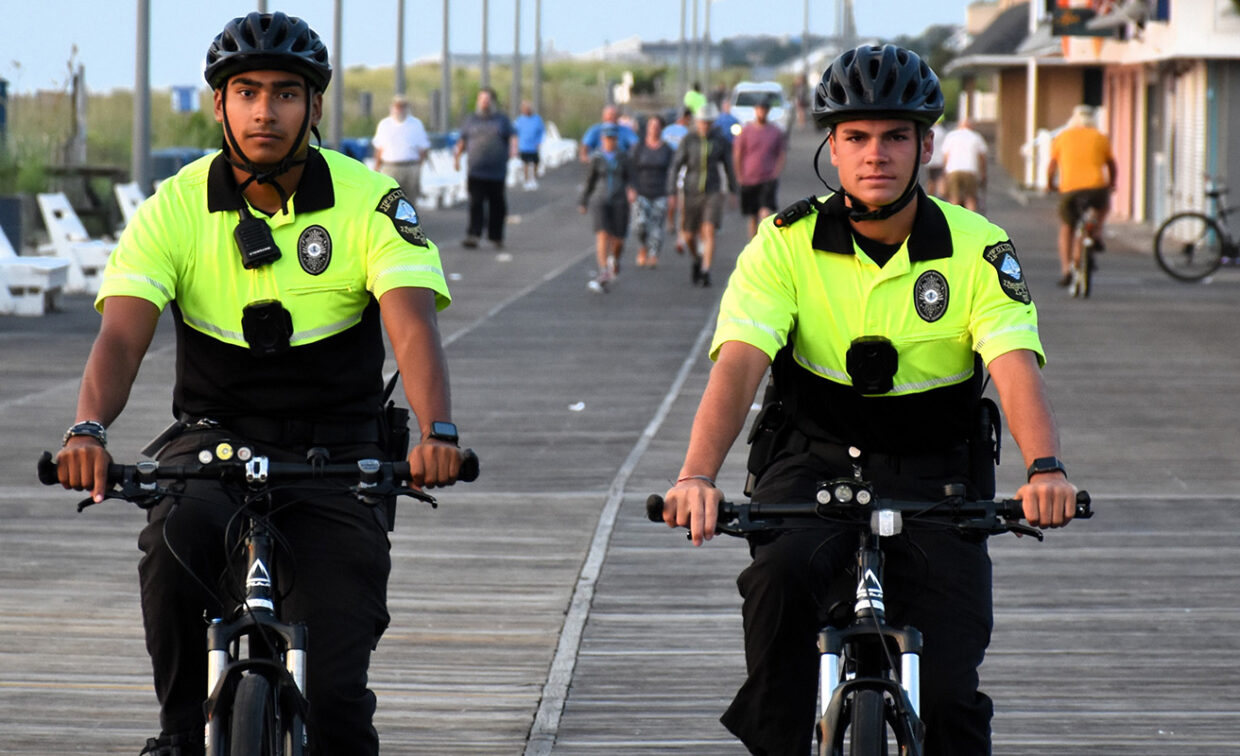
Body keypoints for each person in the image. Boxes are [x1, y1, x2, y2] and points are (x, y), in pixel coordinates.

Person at [51, 12, 469, 756]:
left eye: (284, 93)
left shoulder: (370, 201)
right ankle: (181, 733)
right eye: (245, 92)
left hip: (340, 454)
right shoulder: (174, 206)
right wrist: (87, 428)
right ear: (219, 105)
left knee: (337, 700)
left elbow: (412, 326)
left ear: (313, 106)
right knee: (171, 546)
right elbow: (121, 333)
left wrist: (436, 431)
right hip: (212, 442)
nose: (263, 111)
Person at [657, 44, 1079, 756]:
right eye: (855, 137)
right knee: (777, 607)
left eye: (894, 136)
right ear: (831, 144)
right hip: (810, 464)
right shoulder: (783, 244)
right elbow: (738, 367)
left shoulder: (978, 245)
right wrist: (695, 476)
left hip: (940, 476)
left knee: (949, 698)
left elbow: (1012, 364)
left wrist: (1045, 470)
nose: (874, 154)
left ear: (926, 144)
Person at [667, 103, 737, 287]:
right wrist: (672, 191)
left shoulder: (720, 140)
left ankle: (706, 270)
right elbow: (676, 165)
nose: (705, 126)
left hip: (712, 191)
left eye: (708, 123)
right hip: (691, 191)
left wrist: (733, 189)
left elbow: (729, 166)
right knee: (689, 235)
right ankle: (697, 258)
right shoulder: (688, 140)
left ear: (712, 123)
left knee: (709, 229)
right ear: (697, 122)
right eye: (702, 122)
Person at [1047, 104, 1117, 286]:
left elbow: (1052, 166)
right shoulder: (1100, 137)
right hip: (1096, 188)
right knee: (1102, 207)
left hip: (1070, 190)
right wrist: (1112, 184)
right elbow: (1111, 165)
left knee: (1067, 228)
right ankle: (1097, 233)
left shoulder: (1062, 137)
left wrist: (1049, 185)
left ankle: (1065, 269)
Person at [454, 87, 517, 249]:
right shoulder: (471, 120)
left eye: (487, 99)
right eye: (482, 99)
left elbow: (512, 137)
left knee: (497, 205)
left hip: (497, 171)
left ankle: (496, 236)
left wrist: (513, 152)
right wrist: (457, 158)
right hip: (476, 170)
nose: (484, 102)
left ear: (493, 102)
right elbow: (462, 140)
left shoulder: (501, 119)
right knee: (476, 203)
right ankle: (474, 235)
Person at [579, 125, 634, 292]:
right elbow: (590, 181)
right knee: (602, 234)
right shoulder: (596, 158)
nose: (610, 141)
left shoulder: (624, 157)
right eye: (607, 138)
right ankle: (603, 270)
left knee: (619, 239)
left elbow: (631, 177)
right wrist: (583, 200)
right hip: (600, 200)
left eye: (613, 138)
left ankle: (614, 259)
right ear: (602, 140)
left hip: (619, 200)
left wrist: (632, 189)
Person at [733, 95, 788, 239]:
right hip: (749, 178)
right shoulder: (746, 131)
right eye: (759, 109)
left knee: (765, 213)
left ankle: (764, 242)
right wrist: (739, 174)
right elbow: (738, 153)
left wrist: (776, 172)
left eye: (764, 110)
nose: (761, 112)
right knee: (752, 216)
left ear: (768, 111)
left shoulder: (775, 131)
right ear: (755, 110)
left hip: (767, 178)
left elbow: (781, 153)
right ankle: (753, 244)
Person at [628, 114, 675, 268]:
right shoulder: (639, 147)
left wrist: (672, 193)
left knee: (656, 227)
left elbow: (672, 172)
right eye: (651, 126)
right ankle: (642, 247)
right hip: (641, 191)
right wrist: (631, 188)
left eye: (657, 126)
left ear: (661, 129)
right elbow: (631, 169)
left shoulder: (667, 150)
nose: (654, 129)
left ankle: (653, 254)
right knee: (640, 225)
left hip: (660, 192)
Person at [371, 92, 432, 203]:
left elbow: (423, 149)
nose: (400, 109)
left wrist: (418, 167)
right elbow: (379, 149)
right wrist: (376, 168)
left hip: (410, 166)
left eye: (402, 106)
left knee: (410, 201)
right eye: (397, 106)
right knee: (389, 200)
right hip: (390, 167)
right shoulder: (384, 124)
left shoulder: (416, 124)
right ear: (393, 107)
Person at [941, 116, 988, 212]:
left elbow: (946, 156)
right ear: (971, 126)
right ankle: (971, 224)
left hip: (953, 170)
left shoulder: (951, 135)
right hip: (970, 170)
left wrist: (944, 173)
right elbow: (982, 156)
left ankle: (953, 223)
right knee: (970, 198)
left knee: (954, 198)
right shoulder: (976, 136)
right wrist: (983, 172)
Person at [513, 99, 545, 190]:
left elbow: (542, 131)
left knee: (535, 162)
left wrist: (539, 141)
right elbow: (515, 131)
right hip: (524, 145)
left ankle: (533, 178)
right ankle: (527, 180)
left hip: (534, 145)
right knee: (525, 163)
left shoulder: (537, 119)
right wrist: (515, 144)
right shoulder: (520, 120)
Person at [924, 117, 947, 196]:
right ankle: (940, 197)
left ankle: (930, 196)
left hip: (930, 160)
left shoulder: (929, 131)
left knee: (930, 179)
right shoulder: (943, 132)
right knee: (940, 179)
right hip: (940, 160)